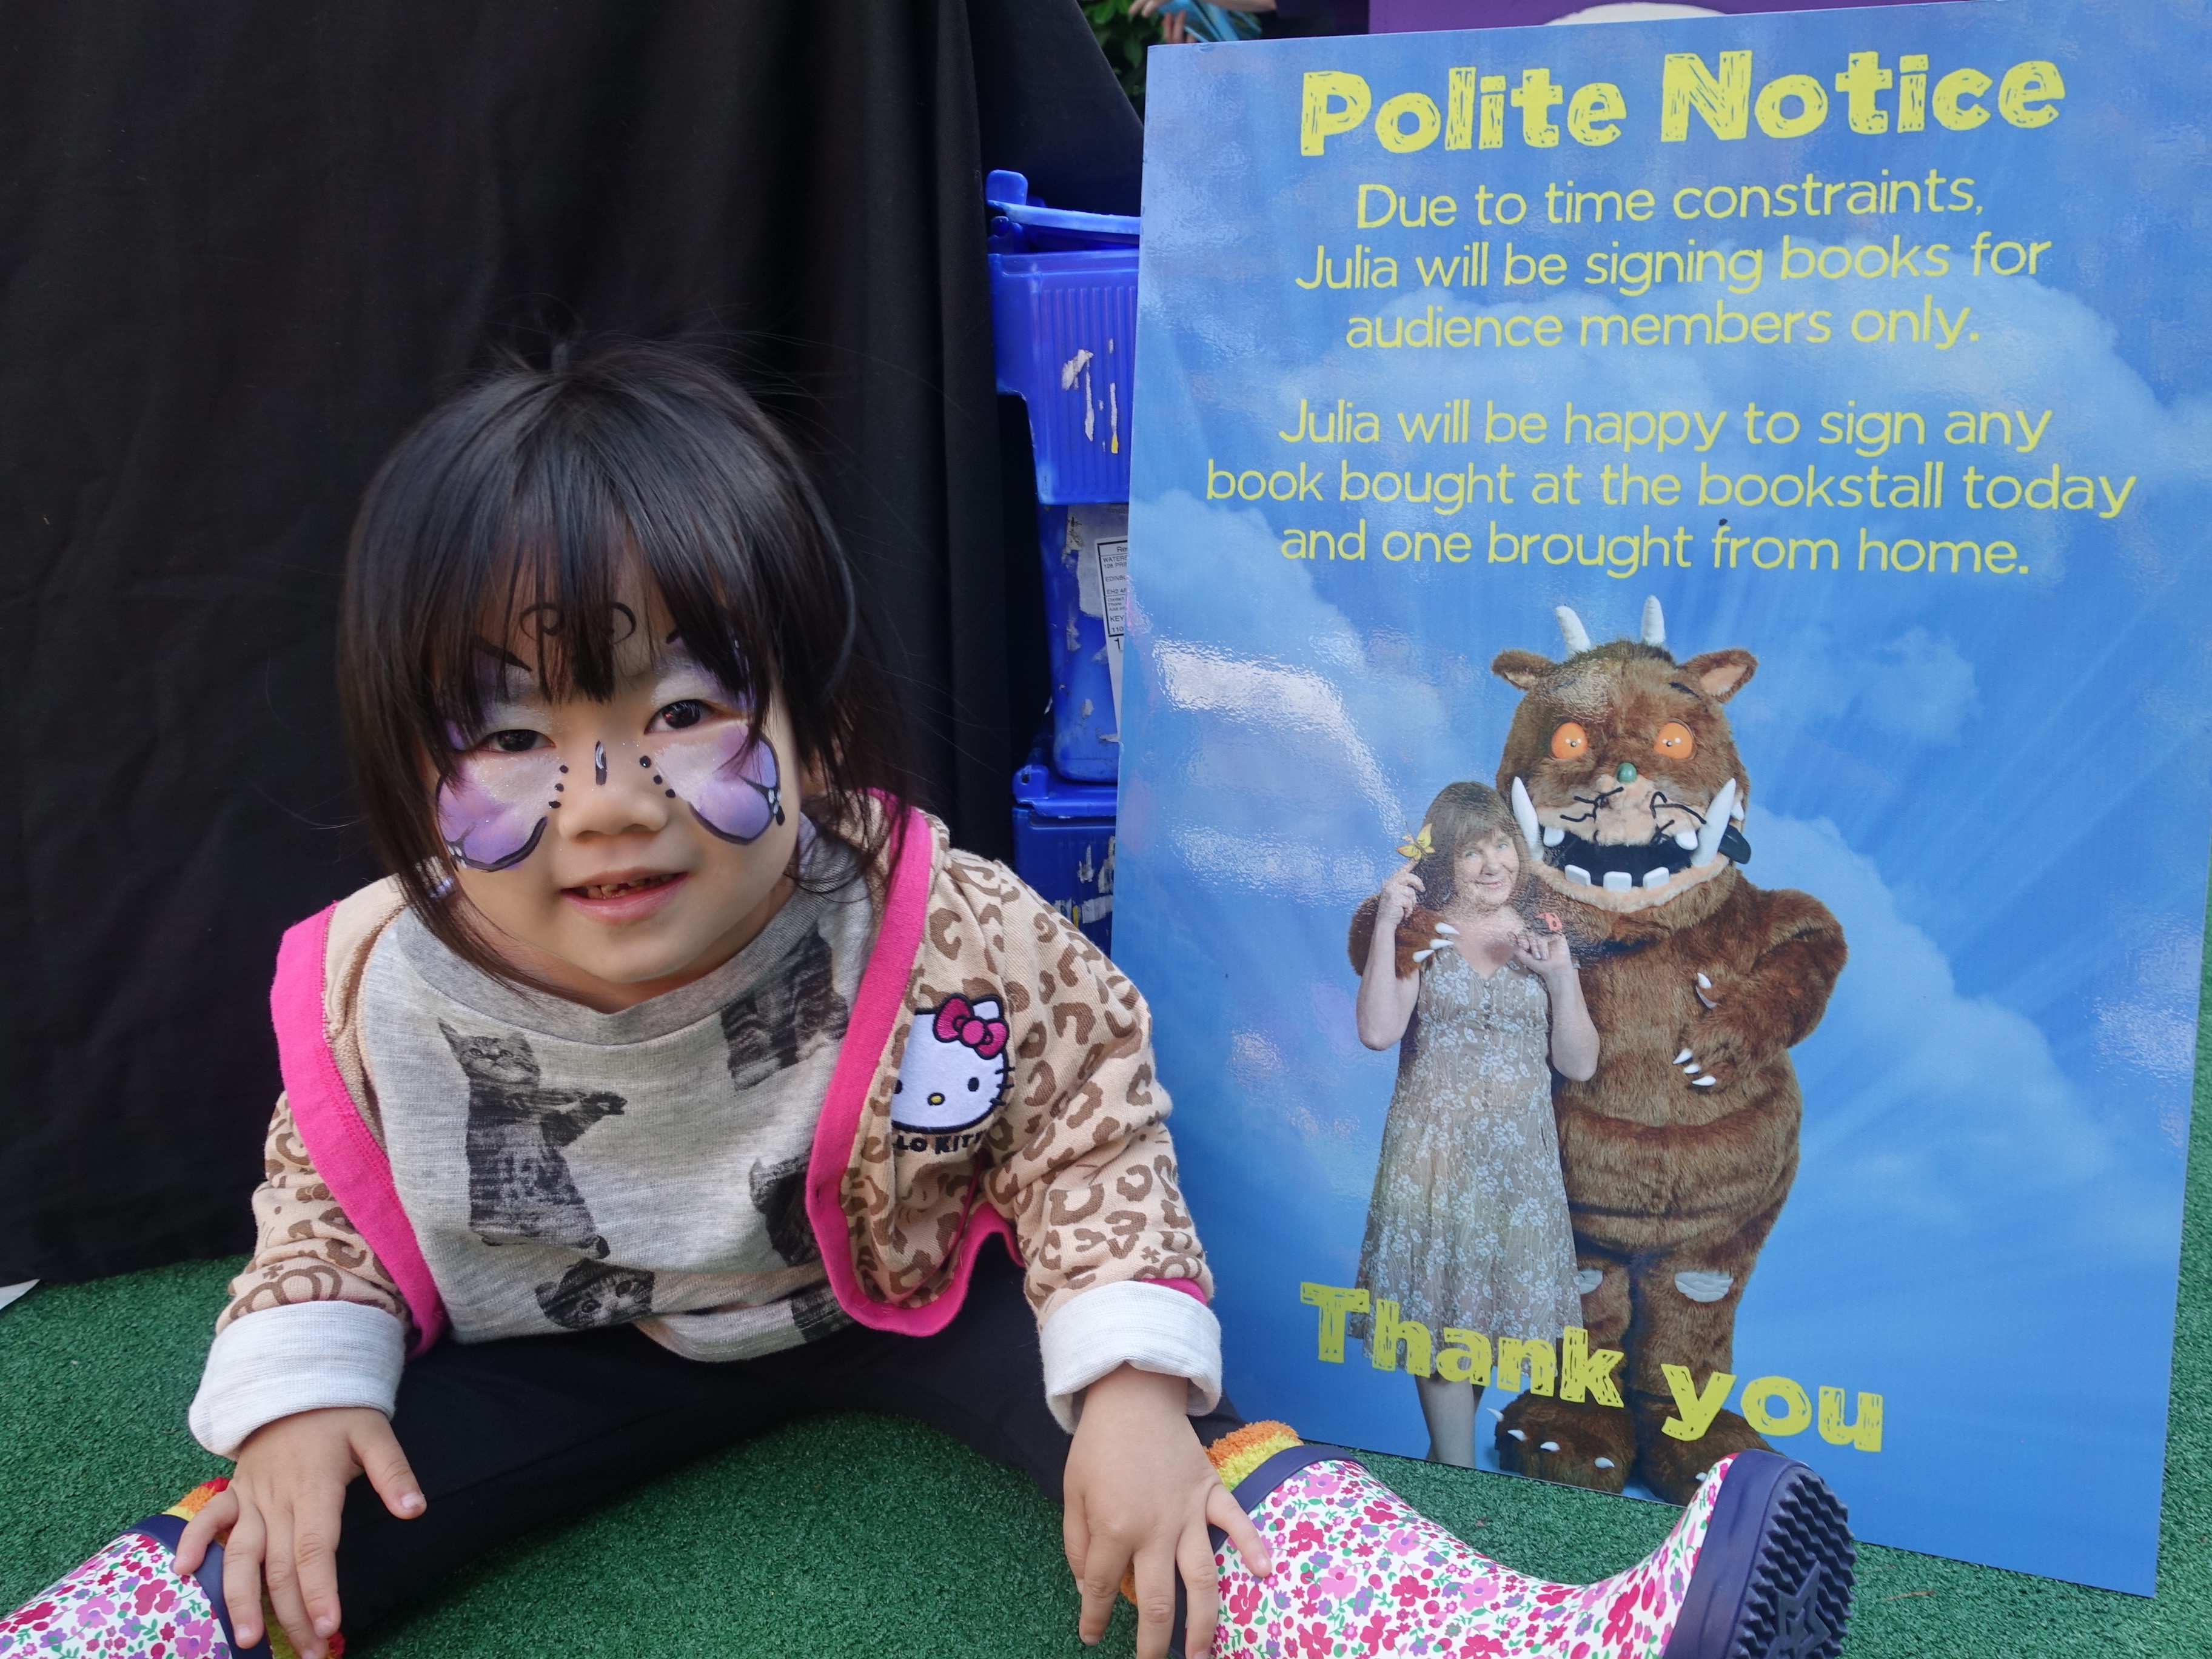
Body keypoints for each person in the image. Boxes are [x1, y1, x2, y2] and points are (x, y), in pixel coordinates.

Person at [1, 347, 1855, 1659]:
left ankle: (1524, 1637)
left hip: (903, 1293)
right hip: (568, 1340)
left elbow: (1084, 1117)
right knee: (293, 1522)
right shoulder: (383, 980)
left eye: (683, 711)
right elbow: (329, 1193)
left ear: (812, 726)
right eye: (508, 736)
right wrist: (297, 1399)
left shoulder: (931, 923)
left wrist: (1126, 1383)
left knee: (1177, 1466)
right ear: (412, 770)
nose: (610, 800)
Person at [1350, 781, 1595, 1469]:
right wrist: (1388, 928)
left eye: (1502, 846)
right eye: (1472, 852)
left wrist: (1562, 978)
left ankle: (1445, 1476)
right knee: (1438, 1326)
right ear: (1444, 863)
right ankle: (1459, 1485)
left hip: (1519, 1170)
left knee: (1481, 1326)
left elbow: (1578, 1064)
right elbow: (1377, 1031)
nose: (1494, 865)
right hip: (1435, 1162)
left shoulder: (1543, 933)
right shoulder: (1423, 934)